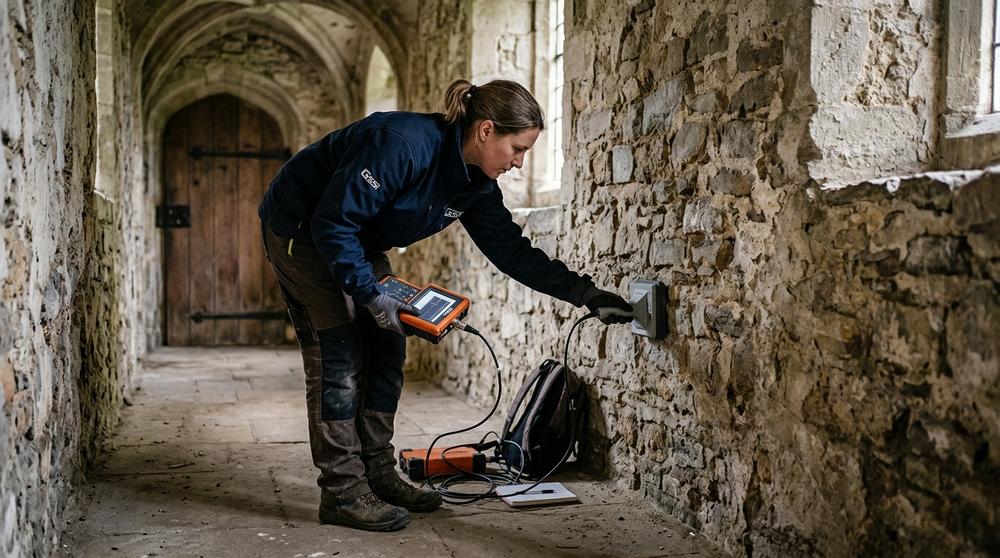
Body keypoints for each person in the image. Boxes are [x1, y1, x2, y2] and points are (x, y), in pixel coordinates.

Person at [258, 78, 632, 532]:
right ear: (486, 130)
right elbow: (333, 223)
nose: (519, 163)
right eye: (518, 148)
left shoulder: (474, 185)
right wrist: (372, 296)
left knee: (389, 346)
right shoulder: (401, 144)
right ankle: (342, 490)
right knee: (339, 357)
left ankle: (377, 471)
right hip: (303, 230)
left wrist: (586, 295)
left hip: (356, 238)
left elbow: (513, 253)